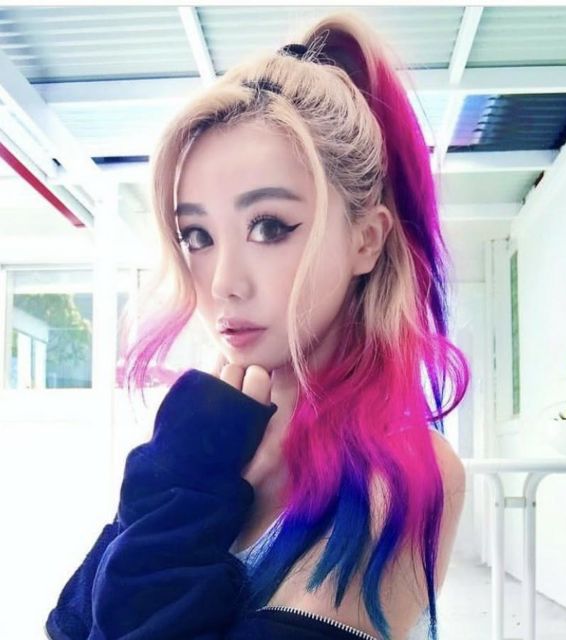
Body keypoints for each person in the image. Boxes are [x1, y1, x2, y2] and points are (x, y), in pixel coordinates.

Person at [46, 10, 469, 640]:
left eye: (269, 226)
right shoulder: (208, 435)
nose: (223, 283)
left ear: (366, 239)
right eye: (197, 235)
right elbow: (69, 625)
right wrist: (179, 474)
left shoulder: (403, 475)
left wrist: (183, 489)